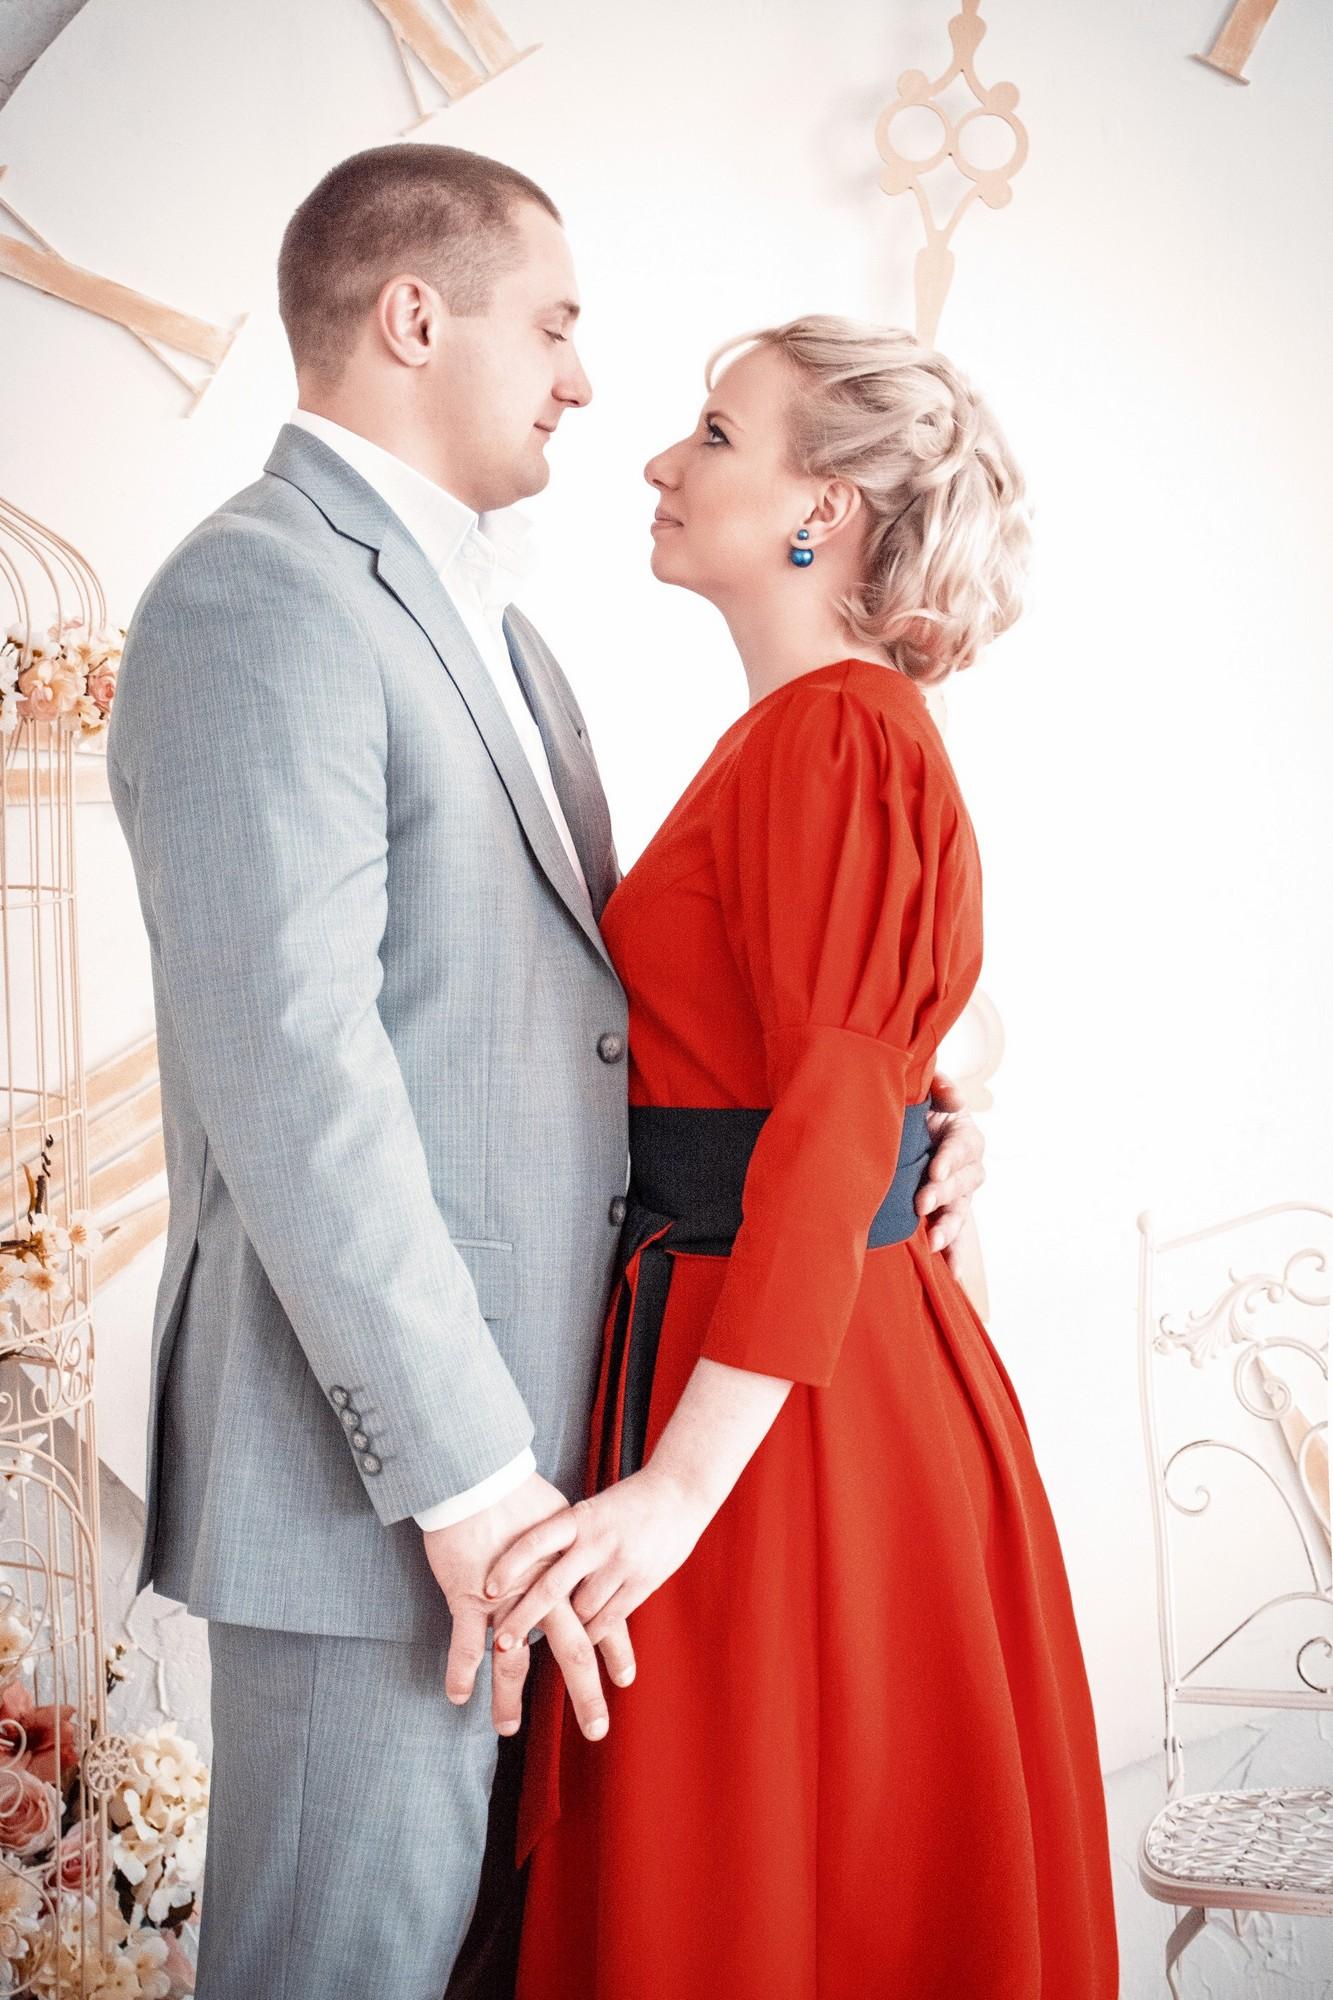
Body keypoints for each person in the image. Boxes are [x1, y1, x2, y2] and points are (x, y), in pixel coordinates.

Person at [105, 146, 982, 1999]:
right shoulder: (261, 596)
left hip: (571, 1468)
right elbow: (296, 1079)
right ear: (416, 317)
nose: (590, 388)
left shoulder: (510, 642)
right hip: (392, 1492)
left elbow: (625, 1032)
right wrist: (468, 1478)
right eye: (558, 326)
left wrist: (907, 1136)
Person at [481, 318, 1120, 1998]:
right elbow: (869, 1044)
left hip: (775, 1395)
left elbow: (834, 1114)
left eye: (712, 432)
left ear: (819, 509)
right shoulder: (814, 737)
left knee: (763, 1877)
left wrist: (678, 1491)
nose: (657, 459)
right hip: (762, 1351)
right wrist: (949, 1101)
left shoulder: (838, 735)